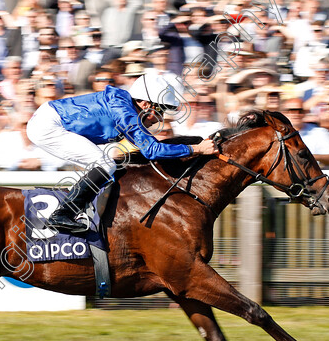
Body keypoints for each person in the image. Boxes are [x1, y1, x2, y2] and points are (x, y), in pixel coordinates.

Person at [26, 71, 218, 234]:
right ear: (145, 104)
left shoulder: (127, 106)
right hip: (48, 126)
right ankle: (63, 214)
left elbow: (144, 151)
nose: (158, 119)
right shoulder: (125, 113)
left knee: (113, 164)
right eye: (159, 112)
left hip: (51, 119)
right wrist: (197, 149)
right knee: (106, 164)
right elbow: (153, 150)